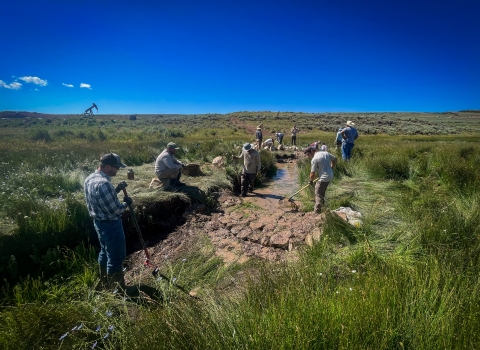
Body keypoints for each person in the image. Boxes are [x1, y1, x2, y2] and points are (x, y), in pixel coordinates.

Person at [84, 153, 134, 293]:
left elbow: (100, 201)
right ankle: (118, 290)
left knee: (105, 252)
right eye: (116, 167)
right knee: (116, 256)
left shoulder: (90, 179)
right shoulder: (104, 184)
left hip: (99, 223)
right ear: (107, 166)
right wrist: (125, 203)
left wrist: (116, 190)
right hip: (111, 225)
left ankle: (104, 281)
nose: (117, 170)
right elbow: (115, 211)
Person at [304, 146, 337, 213]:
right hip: (330, 176)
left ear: (312, 151)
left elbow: (312, 173)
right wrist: (332, 167)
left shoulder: (314, 159)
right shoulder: (325, 153)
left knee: (318, 194)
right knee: (322, 193)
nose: (308, 156)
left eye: (308, 154)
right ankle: (323, 208)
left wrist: (311, 181)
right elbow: (335, 159)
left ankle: (316, 212)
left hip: (324, 178)